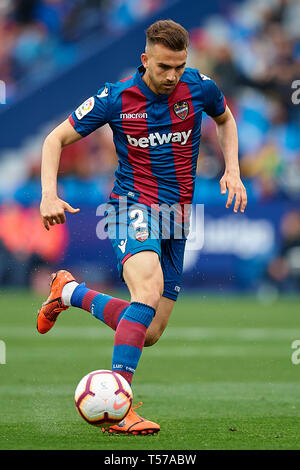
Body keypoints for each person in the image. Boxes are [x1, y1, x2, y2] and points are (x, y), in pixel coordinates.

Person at [37, 19, 247, 435]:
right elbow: (53, 140)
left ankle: (69, 292)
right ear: (144, 59)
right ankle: (121, 407)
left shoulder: (199, 87)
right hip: (129, 207)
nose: (172, 76)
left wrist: (233, 170)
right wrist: (48, 194)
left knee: (148, 330)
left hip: (178, 216)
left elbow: (225, 120)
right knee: (147, 291)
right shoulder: (115, 98)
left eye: (179, 66)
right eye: (164, 67)